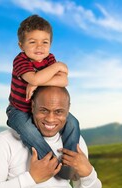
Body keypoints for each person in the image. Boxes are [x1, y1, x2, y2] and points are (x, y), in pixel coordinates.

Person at [6, 14, 79, 179]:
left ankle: (70, 161)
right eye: (32, 42)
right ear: (21, 45)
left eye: (44, 42)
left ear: (50, 44)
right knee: (29, 132)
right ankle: (54, 164)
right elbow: (34, 78)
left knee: (73, 123)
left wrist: (39, 82)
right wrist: (55, 69)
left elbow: (64, 80)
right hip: (19, 110)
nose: (39, 47)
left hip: (42, 110)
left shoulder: (50, 59)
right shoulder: (21, 60)